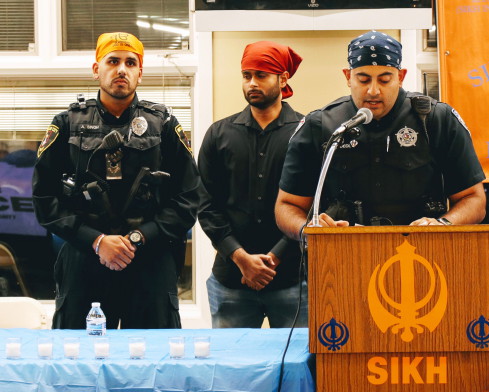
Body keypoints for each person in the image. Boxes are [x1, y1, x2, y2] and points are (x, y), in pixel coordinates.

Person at [32, 32, 200, 329]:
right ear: (97, 69)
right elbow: (45, 200)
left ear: (140, 73)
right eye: (113, 61)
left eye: (130, 62)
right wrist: (97, 242)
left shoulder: (164, 125)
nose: (121, 69)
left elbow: (189, 198)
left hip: (150, 259)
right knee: (80, 360)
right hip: (85, 260)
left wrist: (138, 238)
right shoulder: (66, 124)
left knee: (153, 363)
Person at [275, 31, 486, 239]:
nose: (373, 91)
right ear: (348, 77)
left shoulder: (435, 119)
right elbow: (287, 205)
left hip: (421, 253)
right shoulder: (321, 125)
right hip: (343, 255)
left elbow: (474, 199)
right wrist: (309, 230)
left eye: (384, 80)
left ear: (401, 77)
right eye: (363, 80)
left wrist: (442, 224)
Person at [198, 41, 307, 328]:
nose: (252, 83)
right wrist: (241, 257)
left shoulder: (307, 133)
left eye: (262, 75)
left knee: (300, 368)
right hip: (231, 280)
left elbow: (317, 205)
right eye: (247, 75)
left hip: (293, 280)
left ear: (283, 78)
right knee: (230, 370)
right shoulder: (219, 134)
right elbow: (207, 205)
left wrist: (275, 257)